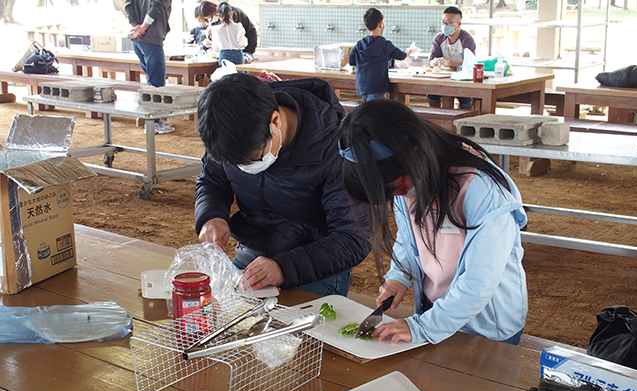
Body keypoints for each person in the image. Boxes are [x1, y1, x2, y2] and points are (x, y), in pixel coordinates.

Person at [337, 100, 527, 345]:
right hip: (435, 314)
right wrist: (399, 276)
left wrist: (423, 328)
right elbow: (410, 238)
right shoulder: (406, 177)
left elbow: (479, 283)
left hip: (486, 328)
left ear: (414, 152)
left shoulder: (482, 189)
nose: (398, 195)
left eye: (396, 188)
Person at [195, 73, 370, 296]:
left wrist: (284, 268)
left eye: (252, 159)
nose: (244, 168)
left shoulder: (336, 147)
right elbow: (211, 181)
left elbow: (352, 239)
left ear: (275, 121)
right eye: (234, 165)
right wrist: (211, 216)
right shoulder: (226, 134)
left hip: (316, 269)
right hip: (251, 262)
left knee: (287, 328)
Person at [125, 0, 174, 135]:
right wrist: (143, 27)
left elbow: (128, 5)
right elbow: (157, 6)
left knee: (151, 81)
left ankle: (155, 119)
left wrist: (136, 26)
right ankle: (153, 122)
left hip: (138, 39)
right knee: (157, 84)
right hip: (151, 38)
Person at [348, 8, 417, 102]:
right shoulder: (385, 45)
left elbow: (351, 60)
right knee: (373, 112)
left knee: (368, 109)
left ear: (367, 26)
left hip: (362, 84)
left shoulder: (360, 44)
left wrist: (365, 66)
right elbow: (402, 56)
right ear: (380, 23)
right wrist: (411, 50)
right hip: (377, 85)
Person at [428, 6, 476, 110]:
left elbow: (469, 64)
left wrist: (448, 63)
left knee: (466, 100)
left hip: (463, 78)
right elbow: (430, 61)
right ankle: (436, 119)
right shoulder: (439, 38)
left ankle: (463, 122)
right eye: (443, 22)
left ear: (458, 24)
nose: (445, 25)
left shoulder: (467, 39)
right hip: (443, 77)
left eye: (449, 22)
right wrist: (435, 62)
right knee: (431, 95)